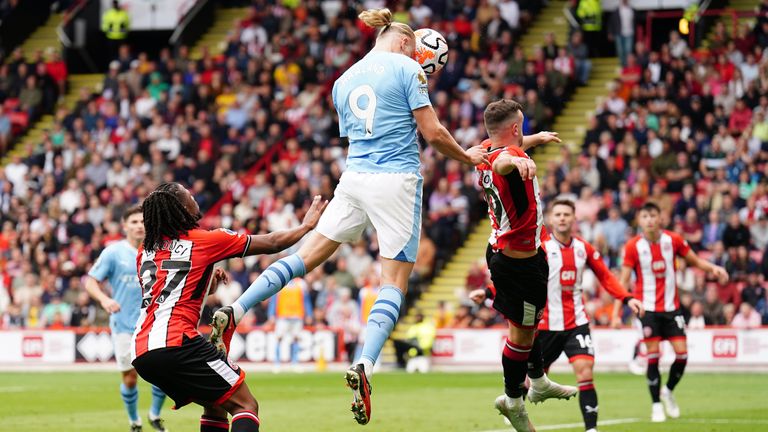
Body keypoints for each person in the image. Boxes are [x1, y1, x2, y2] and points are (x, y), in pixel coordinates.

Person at [211, 8, 561, 426]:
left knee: (306, 256)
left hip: (354, 176)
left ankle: (237, 309)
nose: (421, 62)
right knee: (393, 281)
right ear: (404, 43)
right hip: (395, 181)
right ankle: (365, 364)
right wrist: (465, 156)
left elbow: (360, 133)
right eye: (417, 53)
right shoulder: (406, 69)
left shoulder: (342, 82)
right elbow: (431, 133)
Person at [131, 182, 326, 432]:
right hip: (177, 342)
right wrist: (306, 226)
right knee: (245, 405)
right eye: (188, 194)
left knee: (216, 405)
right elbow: (273, 242)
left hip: (142, 350)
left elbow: (172, 288)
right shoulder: (206, 241)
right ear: (182, 207)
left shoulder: (145, 252)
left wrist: (208, 278)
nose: (194, 196)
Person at [472, 199, 643, 432]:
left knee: (585, 371)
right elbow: (519, 281)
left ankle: (591, 429)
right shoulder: (539, 247)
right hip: (544, 325)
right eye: (558, 214)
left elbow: (605, 276)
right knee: (531, 381)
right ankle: (514, 407)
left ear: (574, 219)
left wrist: (626, 297)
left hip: (576, 323)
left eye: (567, 214)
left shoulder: (584, 249)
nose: (562, 218)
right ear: (550, 219)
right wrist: (487, 292)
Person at [475, 99, 572, 432]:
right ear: (515, 128)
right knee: (522, 335)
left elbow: (501, 150)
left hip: (509, 251)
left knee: (530, 328)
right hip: (518, 263)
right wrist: (517, 162)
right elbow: (505, 160)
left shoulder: (486, 149)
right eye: (524, 128)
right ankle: (513, 400)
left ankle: (539, 381)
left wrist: (537, 139)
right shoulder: (507, 157)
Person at [620, 202, 728, 423]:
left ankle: (668, 390)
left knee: (682, 354)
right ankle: (656, 405)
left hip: (672, 309)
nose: (649, 220)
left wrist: (714, 269)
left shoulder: (673, 240)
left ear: (661, 218)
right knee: (653, 357)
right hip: (647, 309)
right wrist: (615, 311)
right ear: (639, 220)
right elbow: (622, 281)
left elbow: (695, 260)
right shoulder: (633, 246)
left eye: (653, 215)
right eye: (645, 216)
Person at [85, 205, 168, 432]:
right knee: (130, 378)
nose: (139, 225)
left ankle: (155, 415)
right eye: (133, 222)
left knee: (162, 374)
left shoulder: (159, 250)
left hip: (155, 323)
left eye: (142, 221)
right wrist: (104, 300)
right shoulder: (113, 253)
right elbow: (90, 281)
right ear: (124, 226)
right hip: (124, 325)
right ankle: (134, 421)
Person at [267, 277, 313, 372]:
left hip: (297, 315)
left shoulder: (301, 283)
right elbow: (274, 299)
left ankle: (295, 362)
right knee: (279, 338)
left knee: (296, 338)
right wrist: (271, 314)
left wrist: (309, 314)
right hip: (283, 315)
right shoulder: (280, 282)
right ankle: (277, 362)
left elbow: (306, 300)